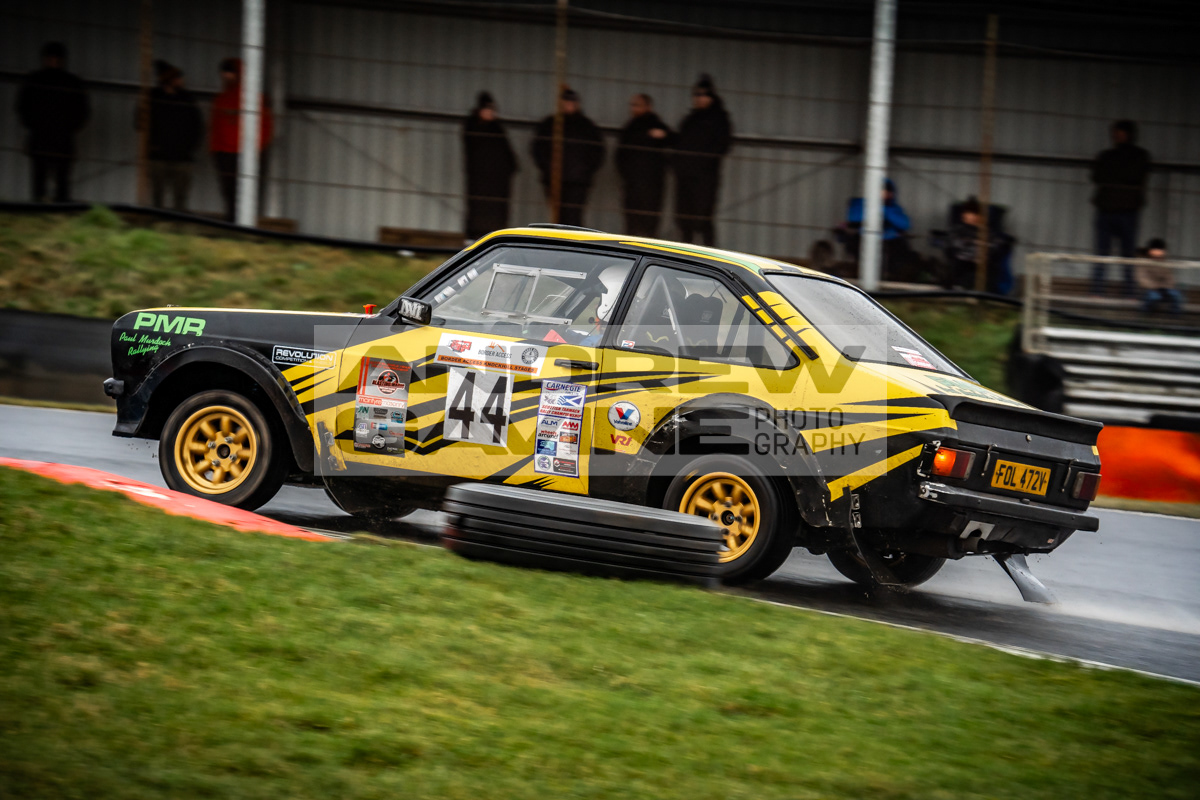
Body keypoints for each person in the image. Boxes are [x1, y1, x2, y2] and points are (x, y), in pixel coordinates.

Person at [16, 41, 90, 203]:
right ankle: (39, 207)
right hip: (41, 137)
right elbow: (22, 108)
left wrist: (67, 128)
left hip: (61, 138)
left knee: (62, 180)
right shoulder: (35, 80)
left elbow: (82, 111)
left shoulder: (71, 82)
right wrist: (35, 126)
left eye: (56, 59)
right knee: (39, 179)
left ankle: (60, 208)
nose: (53, 62)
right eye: (50, 58)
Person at [1091, 119, 1151, 295]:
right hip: (1106, 209)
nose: (1116, 136)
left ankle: (1129, 291)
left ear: (1129, 134)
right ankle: (1097, 290)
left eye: (1120, 133)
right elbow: (1096, 176)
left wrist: (1114, 175)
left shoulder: (1139, 155)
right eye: (1115, 133)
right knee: (1101, 253)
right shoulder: (1106, 155)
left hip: (1128, 211)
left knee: (1128, 254)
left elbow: (1134, 176)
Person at [210, 57, 273, 222]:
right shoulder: (221, 99)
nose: (226, 77)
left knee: (246, 191)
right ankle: (232, 222)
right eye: (224, 74)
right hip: (225, 154)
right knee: (229, 191)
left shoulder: (255, 99)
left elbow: (266, 127)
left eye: (230, 73)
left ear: (239, 74)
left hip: (246, 153)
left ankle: (244, 222)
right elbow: (215, 127)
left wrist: (256, 149)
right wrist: (215, 149)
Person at [673, 74, 733, 246]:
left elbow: (722, 146)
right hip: (685, 176)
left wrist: (702, 164)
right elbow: (679, 143)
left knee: (703, 218)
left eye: (703, 95)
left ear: (711, 97)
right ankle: (685, 253)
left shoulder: (719, 119)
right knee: (684, 219)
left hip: (705, 178)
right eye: (696, 95)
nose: (699, 99)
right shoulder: (690, 120)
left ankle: (709, 254)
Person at [531, 87, 604, 227]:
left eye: (571, 102)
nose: (569, 106)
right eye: (566, 102)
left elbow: (597, 152)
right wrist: (548, 169)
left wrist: (585, 171)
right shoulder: (550, 124)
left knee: (573, 218)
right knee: (557, 217)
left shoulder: (587, 127)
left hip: (578, 182)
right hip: (554, 179)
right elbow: (538, 149)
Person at [139, 60, 204, 211]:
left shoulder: (187, 99)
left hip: (182, 158)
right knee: (157, 196)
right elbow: (140, 123)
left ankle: (178, 223)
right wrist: (151, 145)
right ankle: (157, 221)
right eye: (178, 78)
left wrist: (190, 148)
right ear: (168, 80)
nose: (181, 81)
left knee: (180, 197)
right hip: (157, 156)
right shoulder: (152, 97)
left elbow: (197, 126)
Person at [462, 91, 517, 242]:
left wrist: (510, 167)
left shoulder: (497, 128)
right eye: (487, 109)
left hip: (498, 180)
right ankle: (473, 237)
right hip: (480, 178)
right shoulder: (473, 126)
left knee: (497, 210)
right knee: (478, 208)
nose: (490, 113)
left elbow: (506, 151)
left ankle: (495, 237)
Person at [616, 93, 671, 238]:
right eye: (632, 105)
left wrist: (663, 135)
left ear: (648, 107)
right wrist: (626, 174)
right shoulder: (630, 127)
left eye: (637, 105)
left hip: (652, 184)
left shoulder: (656, 125)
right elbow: (620, 154)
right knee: (631, 221)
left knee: (649, 221)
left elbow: (674, 141)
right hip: (632, 183)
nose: (633, 108)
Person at [845, 178, 914, 281]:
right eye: (883, 192)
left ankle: (890, 276)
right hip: (864, 239)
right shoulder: (860, 204)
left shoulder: (893, 208)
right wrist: (874, 207)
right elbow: (853, 218)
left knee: (900, 250)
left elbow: (905, 224)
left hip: (889, 241)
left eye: (889, 192)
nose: (887, 195)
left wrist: (883, 209)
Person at [944, 197, 1008, 292]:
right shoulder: (957, 232)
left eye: (972, 213)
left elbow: (995, 251)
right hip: (961, 270)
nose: (968, 216)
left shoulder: (990, 235)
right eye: (966, 213)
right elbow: (952, 249)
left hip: (983, 273)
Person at [1136, 238, 1183, 315]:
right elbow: (1142, 279)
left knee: (1177, 295)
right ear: (1150, 250)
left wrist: (1166, 288)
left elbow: (1170, 278)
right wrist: (1155, 287)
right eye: (1156, 250)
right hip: (1148, 289)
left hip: (1164, 289)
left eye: (1160, 250)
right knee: (1154, 296)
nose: (1158, 252)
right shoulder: (1143, 261)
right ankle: (1145, 313)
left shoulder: (1165, 262)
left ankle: (1175, 316)